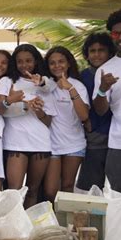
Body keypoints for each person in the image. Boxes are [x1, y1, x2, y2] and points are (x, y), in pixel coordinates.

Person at [0, 44, 56, 208]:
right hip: (16, 142)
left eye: (28, 61)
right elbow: (0, 109)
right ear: (14, 62)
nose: (24, 65)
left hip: (40, 143)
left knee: (33, 190)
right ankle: (12, 227)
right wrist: (13, 100)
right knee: (13, 191)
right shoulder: (7, 81)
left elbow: (48, 121)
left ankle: (28, 230)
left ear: (36, 61)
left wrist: (38, 110)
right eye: (20, 61)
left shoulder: (43, 84)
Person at [93, 8, 121, 194]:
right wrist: (102, 89)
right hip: (120, 145)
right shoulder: (105, 69)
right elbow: (100, 110)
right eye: (116, 33)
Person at [43, 46, 89, 202]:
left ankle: (65, 224)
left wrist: (70, 89)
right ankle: (53, 224)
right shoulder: (46, 86)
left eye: (61, 62)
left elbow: (83, 116)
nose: (57, 66)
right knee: (50, 191)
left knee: (68, 186)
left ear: (69, 63)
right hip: (52, 145)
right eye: (52, 63)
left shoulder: (78, 85)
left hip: (74, 144)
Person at [76, 33, 115, 191]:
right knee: (91, 189)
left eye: (101, 50)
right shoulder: (82, 77)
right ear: (87, 54)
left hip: (118, 138)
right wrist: (85, 122)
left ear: (110, 52)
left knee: (119, 190)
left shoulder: (119, 72)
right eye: (92, 51)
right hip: (93, 139)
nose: (97, 54)